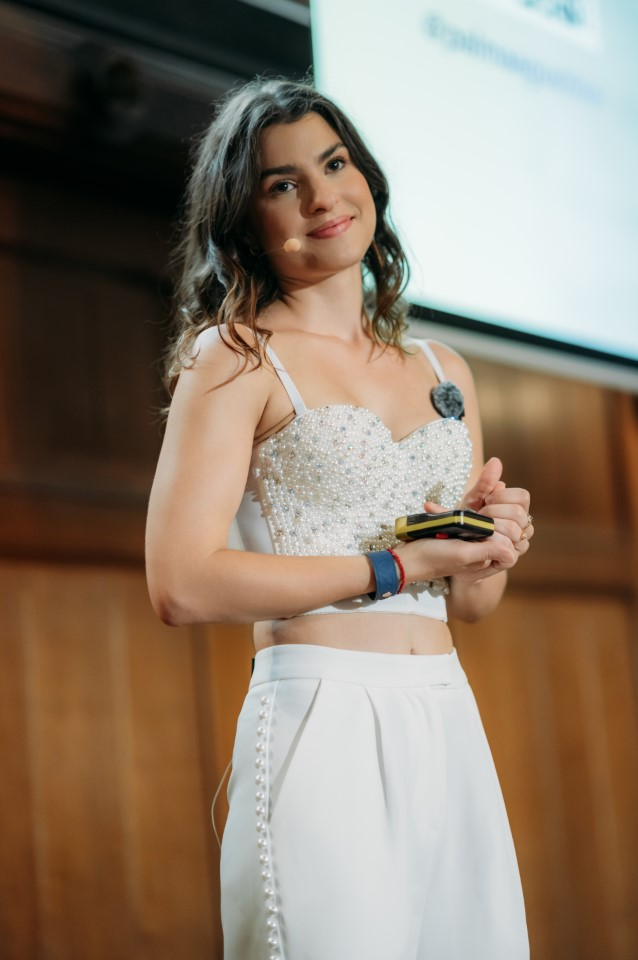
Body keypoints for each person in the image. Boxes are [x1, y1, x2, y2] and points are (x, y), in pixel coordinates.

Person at [145, 77, 533, 960]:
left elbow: (472, 606)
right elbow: (181, 583)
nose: (322, 197)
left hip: (447, 714)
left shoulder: (443, 367)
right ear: (246, 219)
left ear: (366, 179)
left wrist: (492, 541)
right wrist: (397, 565)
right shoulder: (235, 357)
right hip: (321, 716)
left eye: (334, 163)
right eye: (284, 183)